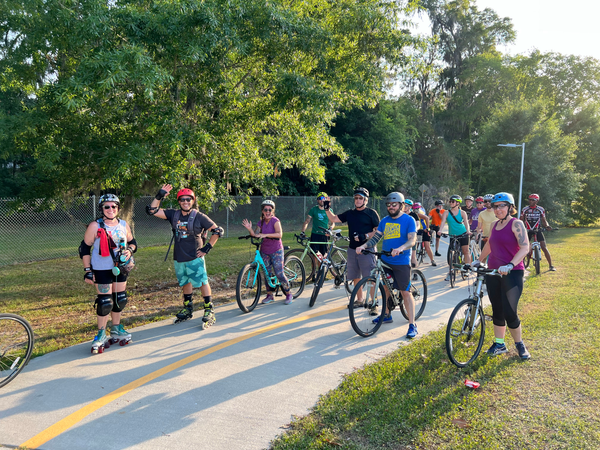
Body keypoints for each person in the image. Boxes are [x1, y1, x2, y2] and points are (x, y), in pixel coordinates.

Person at [146, 185, 223, 324]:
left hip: (195, 257)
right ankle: (188, 307)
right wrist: (159, 195)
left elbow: (217, 231)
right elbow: (152, 211)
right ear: (179, 201)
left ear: (192, 201)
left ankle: (209, 309)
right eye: (182, 200)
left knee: (202, 282)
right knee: (185, 282)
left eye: (188, 199)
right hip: (179, 257)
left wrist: (207, 247)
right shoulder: (173, 214)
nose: (185, 202)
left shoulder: (199, 216)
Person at [473, 192, 531, 359]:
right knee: (497, 309)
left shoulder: (516, 224)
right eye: (495, 206)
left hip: (512, 273)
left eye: (501, 206)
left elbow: (525, 247)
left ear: (510, 207)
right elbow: (490, 245)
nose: (498, 209)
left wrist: (510, 265)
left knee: (509, 311)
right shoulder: (494, 225)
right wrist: (479, 260)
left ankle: (519, 344)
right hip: (493, 272)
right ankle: (500, 344)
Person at [80, 194, 137, 353]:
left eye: (114, 206)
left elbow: (133, 243)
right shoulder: (95, 226)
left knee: (120, 299)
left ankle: (116, 329)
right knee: (105, 302)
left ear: (118, 208)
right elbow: (84, 248)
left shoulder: (123, 224)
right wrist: (87, 271)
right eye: (107, 207)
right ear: (101, 209)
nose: (111, 209)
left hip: (120, 268)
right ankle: (101, 334)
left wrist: (129, 251)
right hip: (101, 269)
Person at [356, 192, 418, 338]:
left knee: (405, 292)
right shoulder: (384, 221)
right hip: (386, 260)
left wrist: (401, 248)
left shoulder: (408, 220)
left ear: (401, 205)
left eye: (394, 204)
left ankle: (412, 324)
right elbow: (376, 237)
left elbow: (412, 240)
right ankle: (387, 314)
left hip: (401, 262)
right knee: (385, 288)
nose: (391, 207)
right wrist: (364, 246)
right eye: (389, 205)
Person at [324, 187, 380, 305]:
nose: (358, 200)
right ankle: (360, 299)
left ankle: (373, 302)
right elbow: (334, 218)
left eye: (360, 198)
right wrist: (327, 208)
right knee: (355, 276)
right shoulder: (350, 213)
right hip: (352, 249)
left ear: (365, 200)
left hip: (367, 250)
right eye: (356, 198)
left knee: (369, 277)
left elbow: (378, 231)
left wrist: (365, 235)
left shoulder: (371, 213)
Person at [242, 200, 294, 304]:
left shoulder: (275, 221)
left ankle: (288, 293)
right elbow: (256, 234)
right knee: (267, 273)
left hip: (276, 250)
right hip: (264, 251)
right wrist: (249, 229)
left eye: (270, 210)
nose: (268, 211)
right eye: (266, 209)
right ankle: (270, 295)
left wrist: (265, 235)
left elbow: (279, 234)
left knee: (279, 273)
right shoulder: (260, 222)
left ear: (272, 211)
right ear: (262, 211)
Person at [439, 195, 471, 281]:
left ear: (458, 203)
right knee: (452, 253)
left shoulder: (462, 212)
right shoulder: (446, 212)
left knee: (466, 251)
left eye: (452, 201)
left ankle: (467, 269)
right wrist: (440, 230)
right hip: (453, 235)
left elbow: (466, 223)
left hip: (463, 233)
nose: (450, 203)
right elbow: (442, 222)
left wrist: (468, 231)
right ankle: (451, 272)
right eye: (450, 201)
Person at [520, 193, 556, 271]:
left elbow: (544, 220)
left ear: (537, 201)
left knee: (544, 247)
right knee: (523, 247)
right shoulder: (525, 209)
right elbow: (521, 220)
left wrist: (547, 226)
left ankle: (551, 266)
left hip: (537, 229)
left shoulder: (541, 209)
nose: (530, 201)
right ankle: (521, 265)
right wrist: (520, 228)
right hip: (528, 230)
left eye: (533, 200)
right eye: (529, 199)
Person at [300, 192, 334, 257]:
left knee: (324, 256)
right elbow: (307, 221)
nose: (322, 200)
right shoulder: (313, 209)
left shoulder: (329, 210)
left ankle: (322, 267)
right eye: (320, 198)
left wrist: (330, 228)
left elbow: (333, 223)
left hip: (325, 235)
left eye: (324, 198)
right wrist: (302, 232)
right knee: (314, 256)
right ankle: (315, 267)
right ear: (317, 200)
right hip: (315, 234)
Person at [412, 202, 436, 266]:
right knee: (414, 243)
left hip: (424, 230)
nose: (415, 210)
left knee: (427, 246)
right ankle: (413, 258)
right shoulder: (413, 213)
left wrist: (427, 228)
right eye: (414, 209)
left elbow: (427, 218)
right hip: (418, 229)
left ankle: (432, 260)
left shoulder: (419, 213)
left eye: (416, 209)